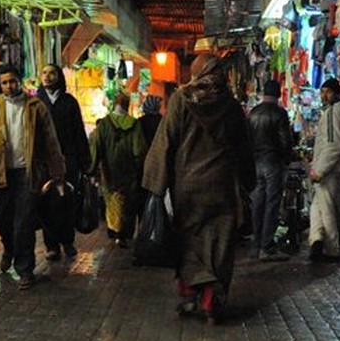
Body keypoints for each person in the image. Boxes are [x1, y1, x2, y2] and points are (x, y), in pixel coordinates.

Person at [143, 54, 255, 324]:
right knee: (220, 243)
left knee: (190, 241)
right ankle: (210, 300)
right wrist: (247, 182)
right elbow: (244, 147)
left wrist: (156, 184)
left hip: (188, 186)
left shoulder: (182, 99)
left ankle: (195, 293)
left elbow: (166, 141)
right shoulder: (230, 104)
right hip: (222, 186)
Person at [0, 64, 64, 288]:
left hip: (28, 173)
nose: (9, 86)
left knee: (24, 222)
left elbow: (51, 140)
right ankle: (8, 249)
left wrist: (57, 171)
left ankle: (25, 270)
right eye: (4, 83)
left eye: (12, 81)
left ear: (19, 81)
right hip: (1, 172)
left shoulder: (35, 106)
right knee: (3, 219)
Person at [36, 63, 90, 261]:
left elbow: (78, 132)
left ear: (59, 76)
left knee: (68, 201)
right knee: (47, 203)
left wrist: (85, 161)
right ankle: (52, 246)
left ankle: (67, 241)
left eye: (52, 73)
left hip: (69, 159)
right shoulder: (36, 102)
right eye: (44, 72)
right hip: (43, 162)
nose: (48, 76)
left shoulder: (69, 102)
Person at [89, 95, 146, 248]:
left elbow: (97, 148)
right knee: (126, 201)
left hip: (108, 169)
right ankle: (124, 232)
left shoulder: (105, 124)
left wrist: (92, 170)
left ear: (115, 104)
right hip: (128, 170)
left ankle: (115, 230)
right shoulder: (134, 124)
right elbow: (139, 150)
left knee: (112, 201)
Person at [308, 78, 340, 263]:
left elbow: (333, 145)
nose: (324, 96)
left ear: (336, 93)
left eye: (328, 92)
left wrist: (319, 170)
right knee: (317, 206)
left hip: (329, 170)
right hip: (336, 168)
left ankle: (332, 249)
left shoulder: (332, 113)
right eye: (322, 92)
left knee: (326, 209)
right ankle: (316, 239)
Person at [248, 79, 293, 261]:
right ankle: (267, 246)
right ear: (279, 93)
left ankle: (256, 245)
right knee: (272, 203)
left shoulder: (253, 113)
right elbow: (285, 141)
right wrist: (287, 159)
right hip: (273, 162)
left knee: (258, 203)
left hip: (256, 162)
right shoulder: (279, 113)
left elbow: (247, 140)